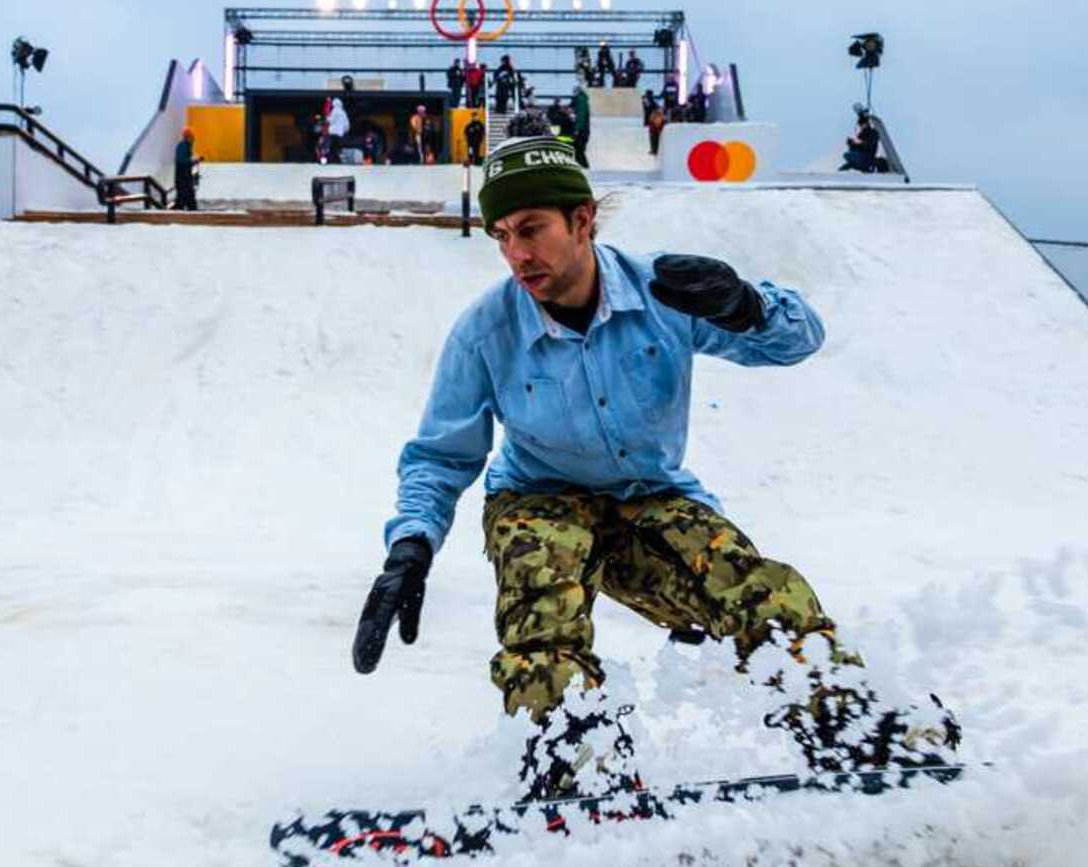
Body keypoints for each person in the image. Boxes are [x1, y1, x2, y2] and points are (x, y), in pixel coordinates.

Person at [351, 132, 960, 801]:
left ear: (582, 220)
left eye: (531, 229)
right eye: (502, 236)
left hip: (650, 497)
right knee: (541, 595)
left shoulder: (664, 293)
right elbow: (441, 455)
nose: (517, 255)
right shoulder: (485, 333)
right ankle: (575, 759)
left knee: (755, 590)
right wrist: (410, 548)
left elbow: (800, 340)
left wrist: (746, 306)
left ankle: (853, 727)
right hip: (537, 500)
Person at [839, 109, 884, 174]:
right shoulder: (862, 134)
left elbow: (870, 145)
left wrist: (860, 143)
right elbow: (858, 148)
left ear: (866, 124)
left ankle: (867, 168)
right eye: (860, 125)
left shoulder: (873, 133)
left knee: (848, 155)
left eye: (862, 125)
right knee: (847, 157)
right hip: (862, 156)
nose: (861, 127)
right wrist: (851, 144)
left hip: (868, 157)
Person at [173, 128, 202, 211]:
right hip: (183, 178)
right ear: (188, 137)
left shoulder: (185, 146)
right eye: (192, 137)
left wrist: (195, 161)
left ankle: (188, 211)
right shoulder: (183, 146)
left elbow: (185, 161)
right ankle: (189, 212)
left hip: (184, 177)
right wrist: (194, 161)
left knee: (185, 198)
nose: (193, 140)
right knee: (185, 197)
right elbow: (181, 161)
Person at [570, 85, 593, 168]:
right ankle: (583, 166)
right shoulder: (581, 99)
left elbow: (580, 116)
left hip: (582, 130)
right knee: (578, 150)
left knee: (578, 150)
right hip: (583, 129)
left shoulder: (580, 100)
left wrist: (577, 129)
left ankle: (584, 166)